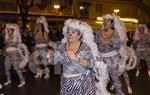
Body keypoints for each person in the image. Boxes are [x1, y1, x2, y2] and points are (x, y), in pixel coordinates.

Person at [47, 19, 109, 95]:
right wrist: (50, 57)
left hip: (83, 84)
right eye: (68, 32)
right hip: (66, 83)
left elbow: (91, 64)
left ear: (79, 35)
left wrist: (77, 59)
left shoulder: (84, 47)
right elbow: (55, 61)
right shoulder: (61, 47)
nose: (70, 34)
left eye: (73, 32)